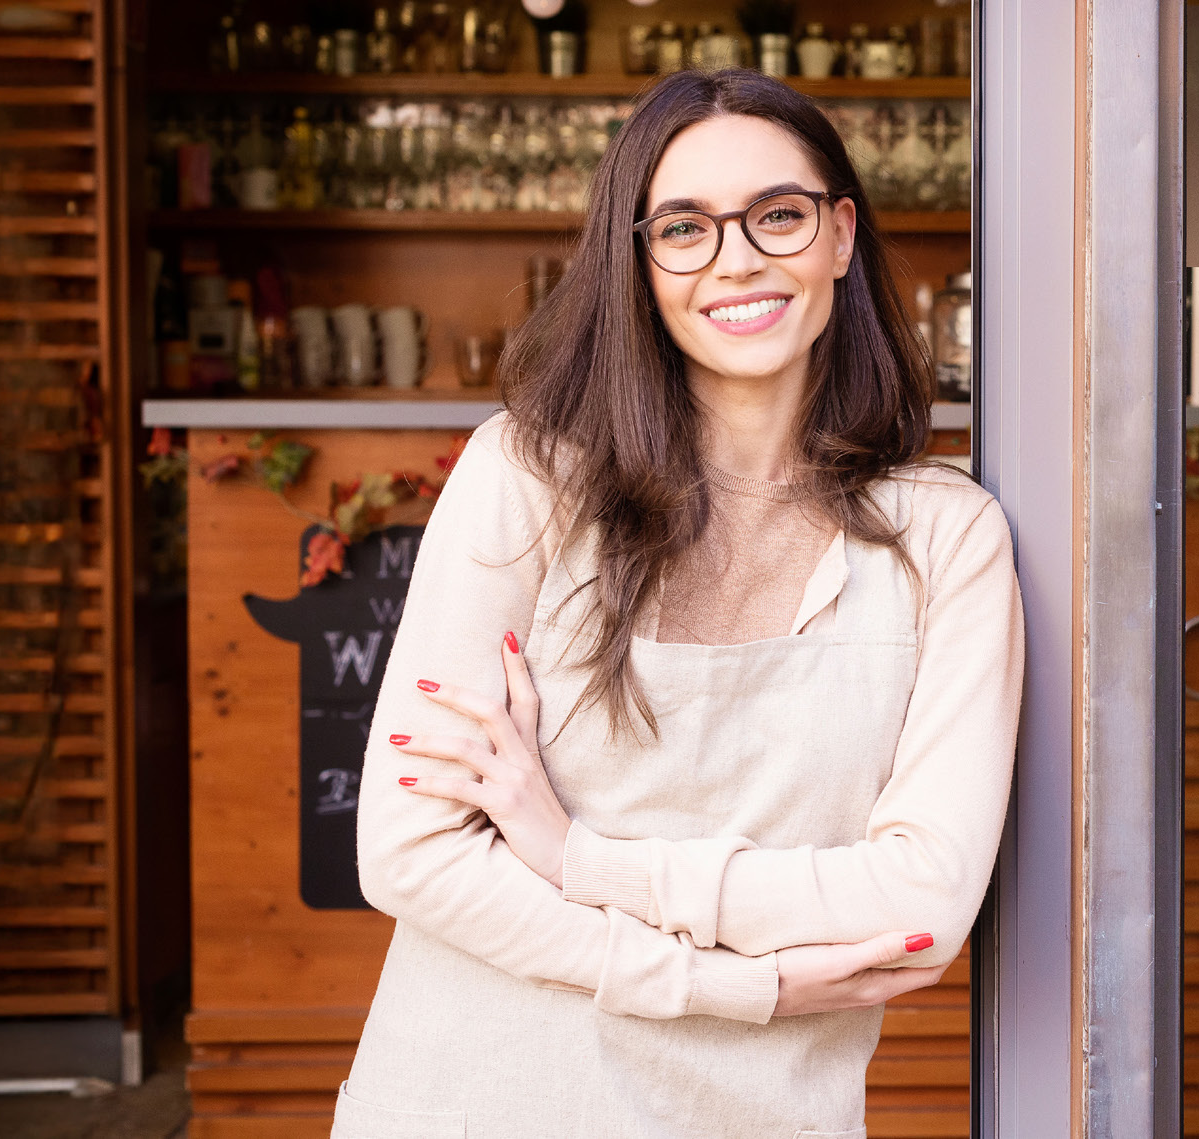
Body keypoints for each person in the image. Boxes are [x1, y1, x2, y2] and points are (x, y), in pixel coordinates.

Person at [332, 69, 1023, 1138]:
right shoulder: (524, 479)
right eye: (684, 228)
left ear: (839, 234)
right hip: (475, 1100)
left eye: (777, 216)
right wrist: (744, 986)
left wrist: (577, 860)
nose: (736, 258)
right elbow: (409, 851)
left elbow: (920, 905)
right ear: (637, 262)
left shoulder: (945, 537)